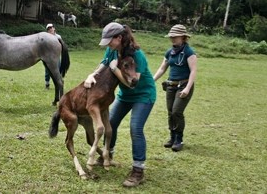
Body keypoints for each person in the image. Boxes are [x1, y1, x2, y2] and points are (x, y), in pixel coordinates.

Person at [84, 22, 156, 187]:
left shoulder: (137, 55)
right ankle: (107, 155)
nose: (108, 44)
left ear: (119, 37)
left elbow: (133, 83)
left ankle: (138, 170)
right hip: (125, 96)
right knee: (112, 123)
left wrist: (115, 69)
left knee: (135, 128)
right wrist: (92, 74)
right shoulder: (113, 49)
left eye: (110, 40)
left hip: (143, 95)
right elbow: (104, 63)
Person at [153, 24, 197, 152]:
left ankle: (179, 139)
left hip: (184, 85)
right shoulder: (170, 52)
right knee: (170, 112)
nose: (172, 39)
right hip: (171, 85)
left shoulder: (189, 52)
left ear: (183, 37)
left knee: (177, 111)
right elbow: (162, 68)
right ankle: (172, 138)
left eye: (175, 36)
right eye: (171, 36)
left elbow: (193, 71)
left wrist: (187, 88)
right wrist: (152, 80)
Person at [44, 23, 61, 89]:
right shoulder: (45, 38)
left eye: (51, 27)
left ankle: (58, 83)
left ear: (54, 28)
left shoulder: (58, 37)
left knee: (58, 70)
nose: (50, 29)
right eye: (48, 28)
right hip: (47, 57)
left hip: (56, 57)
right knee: (47, 71)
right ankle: (47, 84)